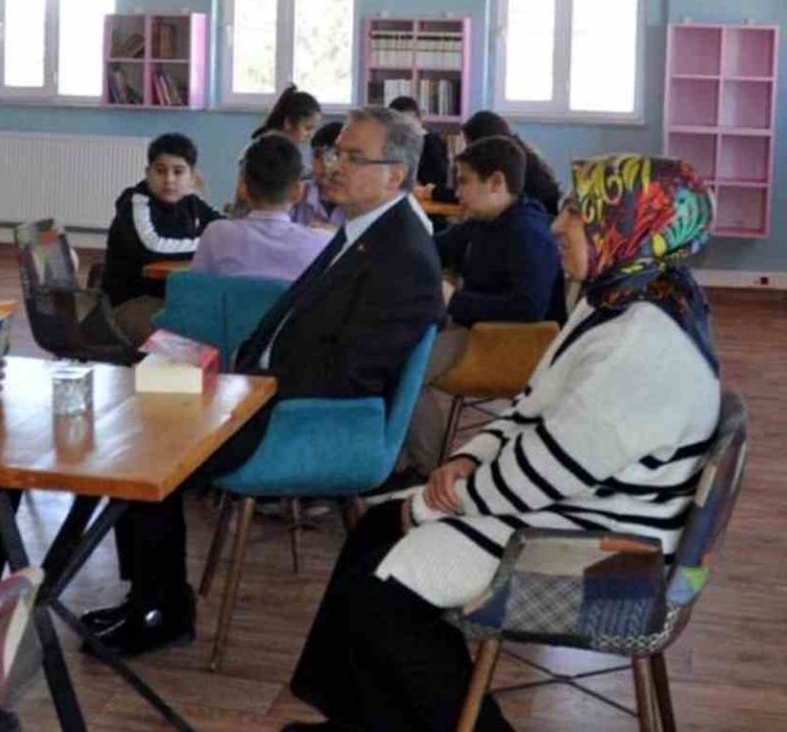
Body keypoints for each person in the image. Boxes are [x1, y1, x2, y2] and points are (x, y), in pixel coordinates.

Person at [284, 154, 721, 732]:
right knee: (374, 532)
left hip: (607, 554)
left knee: (382, 593)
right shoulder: (625, 299)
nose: (558, 226)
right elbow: (530, 408)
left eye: (578, 212)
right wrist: (468, 457)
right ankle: (359, 722)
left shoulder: (641, 341)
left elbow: (546, 471)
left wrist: (440, 502)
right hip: (588, 511)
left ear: (631, 223)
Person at [87, 107, 445, 657]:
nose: (332, 167)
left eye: (352, 158)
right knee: (139, 408)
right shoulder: (366, 231)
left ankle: (161, 608)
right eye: (334, 153)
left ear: (395, 175)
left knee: (146, 443)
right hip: (265, 393)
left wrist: (244, 389)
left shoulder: (402, 255)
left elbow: (352, 374)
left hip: (303, 420)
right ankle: (150, 596)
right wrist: (227, 371)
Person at [403, 135, 567, 470]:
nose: (457, 192)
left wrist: (455, 300)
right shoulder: (484, 221)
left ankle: (428, 469)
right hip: (478, 330)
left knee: (406, 369)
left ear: (496, 183)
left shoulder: (527, 232)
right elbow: (434, 248)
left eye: (464, 182)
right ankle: (410, 462)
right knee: (397, 349)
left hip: (512, 344)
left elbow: (527, 309)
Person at [100, 132, 221, 345]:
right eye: (160, 171)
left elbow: (223, 228)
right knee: (188, 334)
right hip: (129, 304)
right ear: (148, 172)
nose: (169, 180)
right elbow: (153, 246)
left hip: (170, 299)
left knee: (215, 322)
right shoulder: (136, 202)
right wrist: (208, 245)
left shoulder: (192, 203)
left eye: (178, 171)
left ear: (192, 177)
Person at [191, 133, 332, 281]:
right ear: (298, 192)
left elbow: (197, 288)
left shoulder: (217, 234)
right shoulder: (322, 243)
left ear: (243, 188)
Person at [428, 110, 563, 216]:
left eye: (470, 143)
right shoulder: (519, 154)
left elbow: (475, 192)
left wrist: (434, 192)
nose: (469, 149)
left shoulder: (507, 163)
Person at [252, 84, 324, 176]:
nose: (311, 135)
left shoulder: (285, 143)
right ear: (289, 123)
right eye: (308, 128)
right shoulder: (272, 147)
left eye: (314, 129)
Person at [388, 95, 451, 192]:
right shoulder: (393, 142)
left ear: (419, 120)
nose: (405, 129)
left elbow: (439, 178)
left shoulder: (431, 142)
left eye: (408, 123)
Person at [290, 121, 344, 230]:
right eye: (317, 156)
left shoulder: (362, 199)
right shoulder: (297, 193)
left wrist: (337, 235)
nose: (324, 164)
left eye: (332, 156)